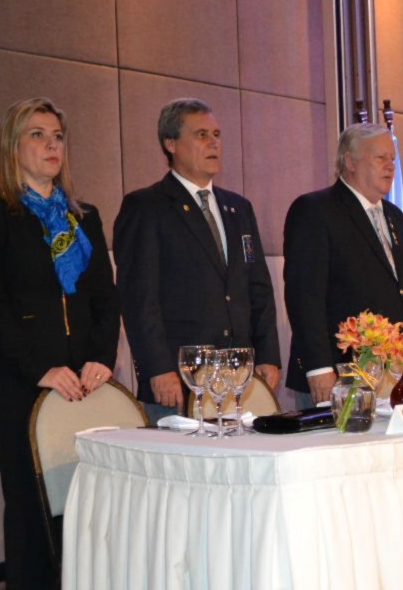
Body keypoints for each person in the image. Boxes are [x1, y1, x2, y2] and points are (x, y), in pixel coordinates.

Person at [0, 97, 120, 590]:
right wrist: (41, 370)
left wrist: (101, 357)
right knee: (33, 510)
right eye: (37, 135)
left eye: (58, 135)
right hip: (25, 385)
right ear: (13, 145)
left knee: (92, 508)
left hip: (86, 384)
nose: (52, 145)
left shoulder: (85, 217)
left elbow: (105, 299)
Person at [114, 98, 280, 418]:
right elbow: (138, 298)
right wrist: (157, 368)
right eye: (201, 135)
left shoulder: (238, 208)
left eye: (216, 134)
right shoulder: (147, 207)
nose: (213, 142)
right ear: (171, 143)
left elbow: (258, 288)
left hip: (238, 378)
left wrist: (268, 355)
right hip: (179, 380)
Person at [283, 123, 403, 404]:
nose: (390, 166)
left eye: (392, 158)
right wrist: (319, 367)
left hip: (397, 372)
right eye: (380, 157)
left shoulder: (395, 216)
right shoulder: (316, 210)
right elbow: (305, 296)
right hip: (340, 373)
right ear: (350, 161)